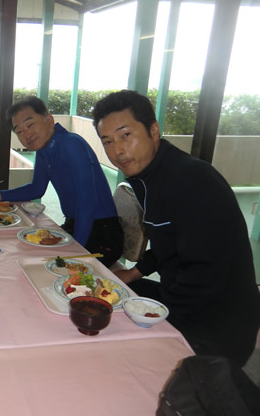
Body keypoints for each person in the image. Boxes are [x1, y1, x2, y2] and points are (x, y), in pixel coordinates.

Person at [92, 89, 260, 366]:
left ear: (153, 130)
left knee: (116, 353)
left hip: (217, 325)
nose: (117, 150)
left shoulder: (193, 180)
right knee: (104, 297)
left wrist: (158, 319)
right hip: (184, 297)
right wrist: (133, 273)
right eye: (107, 141)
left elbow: (205, 272)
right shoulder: (147, 177)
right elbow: (169, 243)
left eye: (126, 135)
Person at [0, 96, 123, 267]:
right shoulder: (44, 150)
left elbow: (88, 200)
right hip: (75, 224)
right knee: (22, 253)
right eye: (19, 131)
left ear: (49, 120)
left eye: (30, 125)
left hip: (103, 234)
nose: (27, 134)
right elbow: (36, 189)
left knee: (50, 268)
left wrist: (76, 249)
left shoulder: (71, 144)